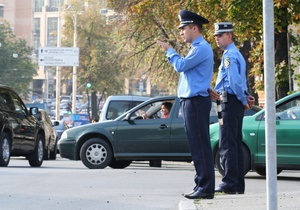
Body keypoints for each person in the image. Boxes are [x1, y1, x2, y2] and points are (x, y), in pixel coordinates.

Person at [156, 10, 215, 199]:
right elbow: (197, 76)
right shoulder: (196, 48)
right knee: (196, 145)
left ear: (194, 28)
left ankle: (205, 188)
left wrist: (169, 51)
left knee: (200, 145)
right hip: (193, 101)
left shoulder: (201, 48)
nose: (181, 32)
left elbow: (181, 66)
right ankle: (201, 184)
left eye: (183, 28)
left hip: (196, 102)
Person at [209, 22, 254, 195]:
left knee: (227, 143)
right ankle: (237, 185)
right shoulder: (236, 54)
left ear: (229, 36)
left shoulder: (229, 56)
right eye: (215, 36)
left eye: (220, 35)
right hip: (232, 102)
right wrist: (245, 96)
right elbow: (239, 82)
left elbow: (234, 82)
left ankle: (229, 183)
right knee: (233, 143)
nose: (217, 39)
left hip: (228, 103)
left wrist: (243, 99)